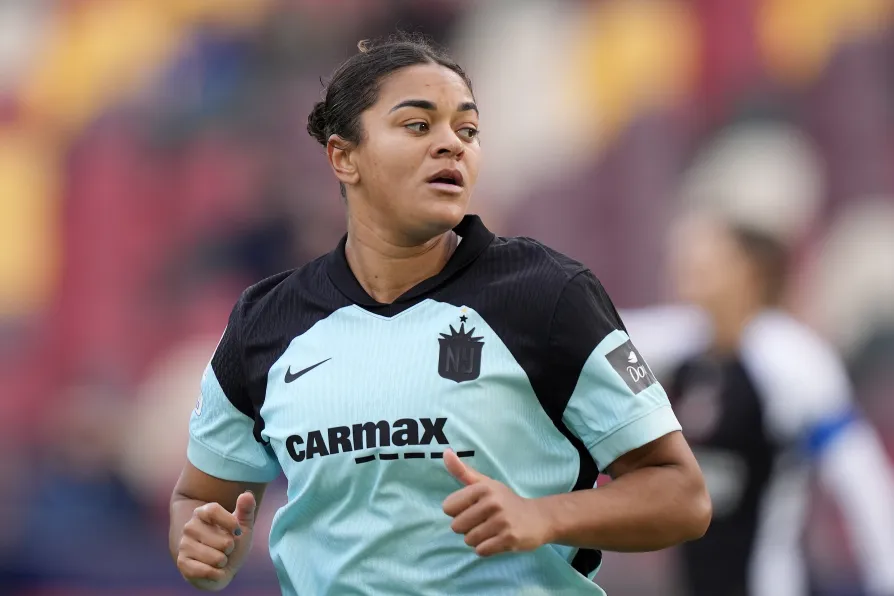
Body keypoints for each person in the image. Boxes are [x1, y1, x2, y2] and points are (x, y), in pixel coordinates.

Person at [168, 33, 711, 596]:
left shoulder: (550, 295)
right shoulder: (265, 321)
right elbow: (199, 499)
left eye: (467, 130)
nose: (452, 144)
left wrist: (544, 516)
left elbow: (682, 494)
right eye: (418, 125)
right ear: (343, 156)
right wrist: (205, 544)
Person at [622, 211, 894, 596]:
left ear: (750, 272)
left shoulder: (793, 361)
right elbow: (604, 343)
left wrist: (886, 577)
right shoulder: (683, 344)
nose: (689, 260)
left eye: (711, 253)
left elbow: (858, 474)